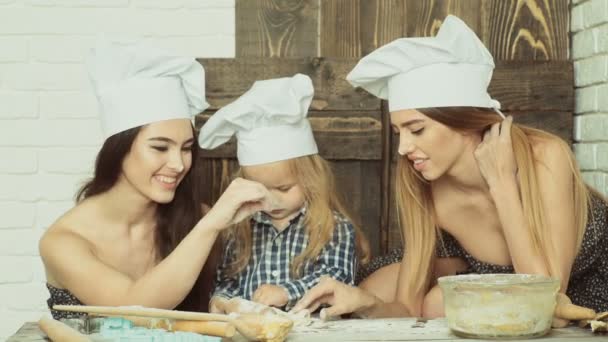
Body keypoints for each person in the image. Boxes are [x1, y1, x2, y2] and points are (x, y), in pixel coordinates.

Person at [292, 15, 608, 321]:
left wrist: (501, 183)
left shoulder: (545, 156)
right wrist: (366, 305)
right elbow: (407, 307)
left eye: (417, 130)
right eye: (399, 132)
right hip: (502, 289)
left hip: (582, 289)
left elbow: (545, 296)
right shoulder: (420, 182)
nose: (403, 149)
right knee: (383, 288)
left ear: (464, 121)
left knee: (436, 303)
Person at [39, 39, 278, 319]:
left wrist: (219, 304)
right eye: (160, 147)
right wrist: (210, 225)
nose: (178, 164)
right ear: (119, 147)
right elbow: (135, 310)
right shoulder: (63, 241)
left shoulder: (193, 217)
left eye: (186, 148)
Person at [198, 74, 370, 312]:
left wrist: (287, 292)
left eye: (284, 188)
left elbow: (336, 277)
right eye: (259, 190)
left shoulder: (332, 227)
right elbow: (228, 280)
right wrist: (222, 300)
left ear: (310, 179)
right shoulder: (241, 229)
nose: (272, 200)